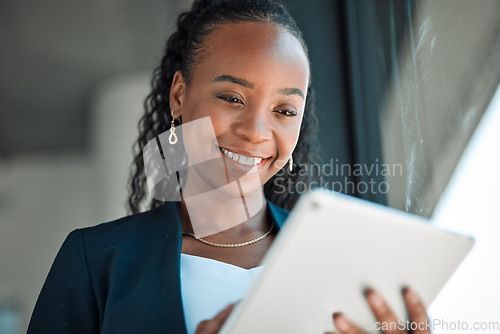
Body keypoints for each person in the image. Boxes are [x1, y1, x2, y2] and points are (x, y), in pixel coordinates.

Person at [27, 0, 430, 333]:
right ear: (180, 96)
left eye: (285, 110)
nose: (256, 132)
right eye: (232, 98)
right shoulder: (95, 259)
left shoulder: (347, 259)